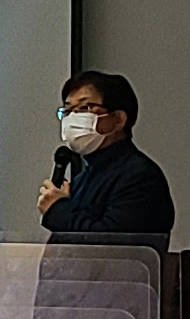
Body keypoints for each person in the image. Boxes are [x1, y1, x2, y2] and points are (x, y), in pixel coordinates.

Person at [39, 68, 176, 246]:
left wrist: (58, 209)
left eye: (85, 108)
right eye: (67, 111)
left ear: (118, 119)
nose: (73, 117)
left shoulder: (139, 176)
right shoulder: (83, 179)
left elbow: (114, 244)